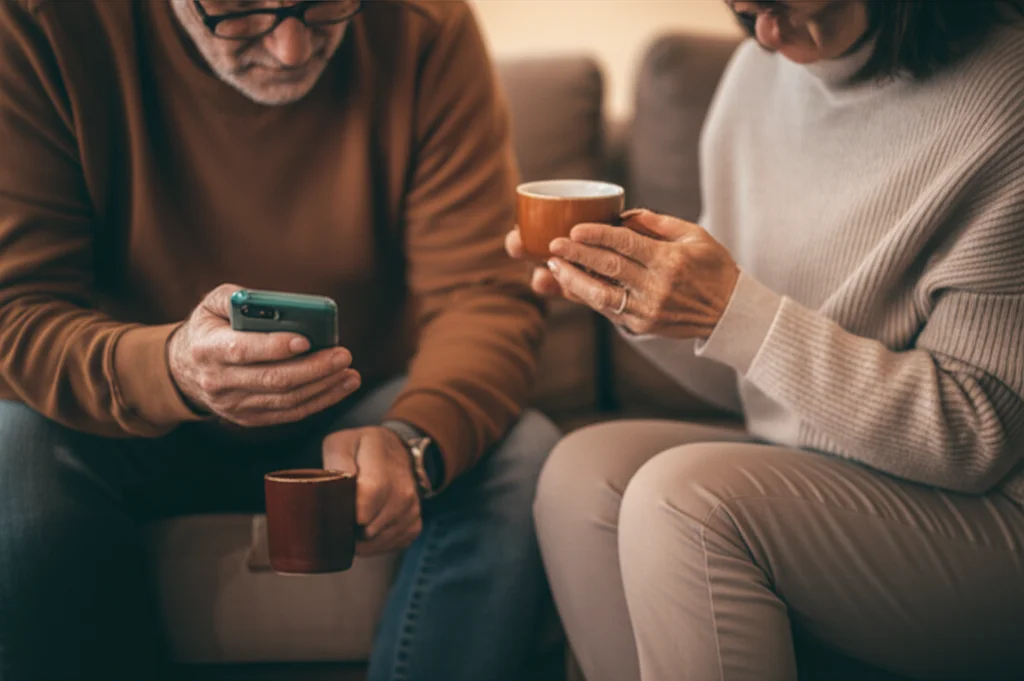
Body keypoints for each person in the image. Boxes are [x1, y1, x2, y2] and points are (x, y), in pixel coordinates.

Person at [0, 1, 562, 680]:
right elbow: (17, 311)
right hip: (123, 424)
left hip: (353, 412)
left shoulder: (426, 25)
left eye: (325, 5)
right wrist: (172, 368)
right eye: (240, 10)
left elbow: (483, 294)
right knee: (14, 450)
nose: (293, 49)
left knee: (520, 452)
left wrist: (414, 438)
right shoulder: (39, 24)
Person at [507, 1, 1024, 680]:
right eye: (747, 12)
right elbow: (750, 372)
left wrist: (732, 312)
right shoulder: (754, 77)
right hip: (825, 462)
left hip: (988, 511)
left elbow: (975, 435)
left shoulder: (1006, 102)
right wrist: (628, 299)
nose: (768, 36)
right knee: (580, 473)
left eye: (791, 8)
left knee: (684, 499)